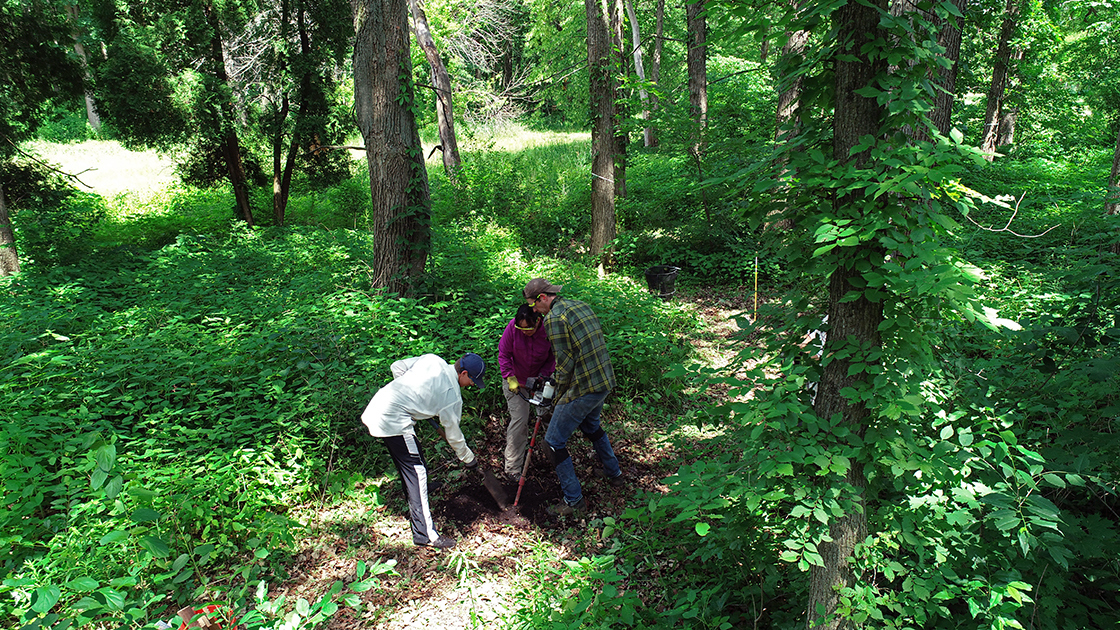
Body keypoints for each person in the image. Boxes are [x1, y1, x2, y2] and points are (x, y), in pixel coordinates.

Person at [360, 353, 486, 549]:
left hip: (381, 404)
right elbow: (453, 435)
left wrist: (414, 396)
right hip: (393, 418)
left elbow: (397, 367)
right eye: (472, 380)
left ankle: (417, 491)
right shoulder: (451, 395)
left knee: (413, 458)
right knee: (417, 471)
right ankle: (425, 535)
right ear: (463, 373)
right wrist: (468, 459)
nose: (471, 384)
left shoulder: (433, 360)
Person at [524, 278, 624, 516]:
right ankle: (614, 473)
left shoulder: (555, 319)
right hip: (604, 381)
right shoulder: (580, 305)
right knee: (591, 425)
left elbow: (565, 364)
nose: (534, 311)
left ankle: (574, 501)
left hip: (585, 387)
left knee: (553, 442)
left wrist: (554, 396)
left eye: (533, 305)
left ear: (544, 298)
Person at [497, 304, 556, 482]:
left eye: (528, 328)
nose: (524, 332)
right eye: (520, 328)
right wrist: (509, 376)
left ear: (537, 322)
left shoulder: (548, 330)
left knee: (547, 418)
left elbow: (553, 357)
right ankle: (513, 469)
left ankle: (557, 462)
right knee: (520, 420)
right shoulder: (512, 329)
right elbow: (504, 354)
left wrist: (542, 377)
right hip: (516, 381)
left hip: (540, 380)